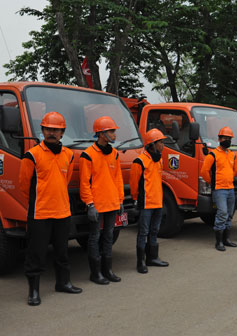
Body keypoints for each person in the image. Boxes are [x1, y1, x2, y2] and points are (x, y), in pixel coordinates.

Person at [19, 112, 82, 306]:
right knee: (36, 253)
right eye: (48, 129)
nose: (52, 133)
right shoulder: (32, 156)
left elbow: (65, 180)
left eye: (56, 130)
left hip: (63, 212)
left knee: (63, 251)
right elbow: (24, 185)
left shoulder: (69, 156)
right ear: (43, 131)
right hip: (40, 213)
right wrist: (41, 201)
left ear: (62, 132)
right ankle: (34, 291)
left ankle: (63, 283)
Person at [80, 116, 124, 284]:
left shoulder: (114, 153)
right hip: (97, 205)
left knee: (108, 236)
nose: (114, 134)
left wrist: (120, 200)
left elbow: (118, 179)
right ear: (101, 133)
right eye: (111, 131)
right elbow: (85, 183)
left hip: (112, 203)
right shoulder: (88, 155)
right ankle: (96, 273)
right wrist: (90, 204)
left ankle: (108, 271)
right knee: (94, 237)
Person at [131, 128, 169, 271]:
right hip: (146, 204)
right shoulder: (139, 161)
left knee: (154, 231)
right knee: (143, 232)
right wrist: (136, 199)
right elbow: (134, 184)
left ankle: (152, 258)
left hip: (158, 202)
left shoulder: (159, 160)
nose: (163, 145)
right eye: (160, 142)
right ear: (152, 144)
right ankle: (141, 262)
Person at [200, 127, 237, 251]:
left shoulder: (232, 155)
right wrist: (213, 182)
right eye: (225, 138)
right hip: (219, 189)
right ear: (219, 139)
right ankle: (219, 242)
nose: (227, 140)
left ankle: (226, 239)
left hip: (230, 189)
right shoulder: (213, 155)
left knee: (229, 215)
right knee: (222, 213)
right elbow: (204, 171)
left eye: (229, 139)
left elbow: (234, 170)